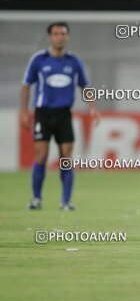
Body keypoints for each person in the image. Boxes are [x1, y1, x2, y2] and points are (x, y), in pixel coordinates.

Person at [20, 22, 100, 211]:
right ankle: (36, 198)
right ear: (50, 37)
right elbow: (26, 85)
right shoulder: (39, 59)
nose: (59, 37)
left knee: (66, 157)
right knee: (41, 155)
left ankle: (65, 201)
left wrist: (92, 107)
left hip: (64, 114)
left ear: (67, 37)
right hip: (43, 113)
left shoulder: (73, 61)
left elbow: (85, 85)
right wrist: (24, 111)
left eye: (63, 33)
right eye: (56, 33)